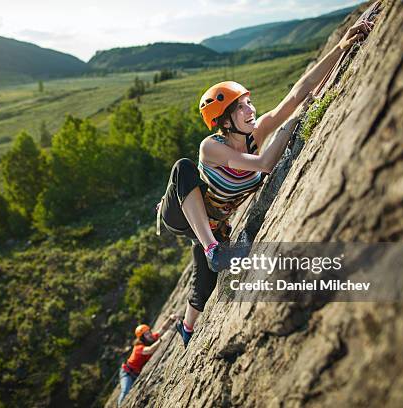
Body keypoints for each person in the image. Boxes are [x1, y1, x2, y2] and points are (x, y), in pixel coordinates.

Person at [155, 19, 374, 347]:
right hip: (180, 213)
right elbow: (264, 164)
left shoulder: (256, 133)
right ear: (224, 121)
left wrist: (341, 47)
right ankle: (213, 247)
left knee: (205, 282)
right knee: (183, 168)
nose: (251, 110)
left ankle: (185, 327)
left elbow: (299, 92)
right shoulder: (212, 147)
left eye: (248, 102)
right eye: (241, 107)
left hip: (210, 221)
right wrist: (289, 129)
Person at [117, 315, 176, 406]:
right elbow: (150, 350)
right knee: (125, 390)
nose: (149, 335)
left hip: (136, 373)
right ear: (142, 338)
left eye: (149, 332)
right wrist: (162, 339)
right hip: (127, 372)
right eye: (146, 334)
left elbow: (163, 329)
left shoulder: (151, 339)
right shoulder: (138, 347)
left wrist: (171, 319)